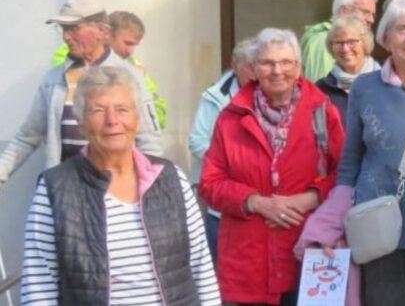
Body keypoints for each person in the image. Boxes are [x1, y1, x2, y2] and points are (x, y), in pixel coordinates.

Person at [295, 0, 405, 306]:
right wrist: (334, 221)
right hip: (379, 238)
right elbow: (351, 163)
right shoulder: (365, 88)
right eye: (401, 29)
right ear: (385, 38)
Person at [19, 66, 220, 305]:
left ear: (136, 120)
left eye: (122, 110)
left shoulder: (170, 177)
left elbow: (201, 267)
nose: (112, 120)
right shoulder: (55, 188)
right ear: (81, 123)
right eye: (98, 110)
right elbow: (39, 285)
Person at [199, 28, 345, 305]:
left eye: (286, 62)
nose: (277, 71)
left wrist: (310, 198)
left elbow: (345, 173)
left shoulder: (322, 111)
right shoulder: (231, 118)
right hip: (248, 261)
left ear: (299, 67)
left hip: (308, 253)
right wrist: (256, 202)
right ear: (253, 68)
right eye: (267, 63)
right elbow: (210, 182)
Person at [0, 0, 162, 190]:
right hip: (64, 188)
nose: (66, 37)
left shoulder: (129, 77)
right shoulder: (54, 79)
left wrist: (151, 190)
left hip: (115, 189)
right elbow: (27, 136)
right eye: (63, 29)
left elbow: (149, 141)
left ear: (101, 30)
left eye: (74, 29)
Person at [187, 37, 256, 263]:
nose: (257, 72)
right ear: (234, 65)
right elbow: (197, 141)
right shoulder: (214, 97)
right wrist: (234, 164)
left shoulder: (269, 94)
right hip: (220, 200)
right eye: (251, 65)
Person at [51, 10, 168, 128]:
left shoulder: (134, 68)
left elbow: (154, 112)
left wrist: (136, 121)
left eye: (134, 45)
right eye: (127, 43)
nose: (130, 51)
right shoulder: (69, 56)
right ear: (107, 35)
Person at [301, 0, 378, 81]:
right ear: (345, 10)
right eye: (365, 12)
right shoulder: (322, 41)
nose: (371, 20)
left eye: (373, 15)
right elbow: (322, 92)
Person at [315, 15, 381, 118]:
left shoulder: (385, 83)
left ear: (364, 43)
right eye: (339, 43)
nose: (345, 49)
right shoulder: (321, 90)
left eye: (352, 42)